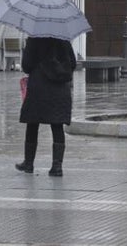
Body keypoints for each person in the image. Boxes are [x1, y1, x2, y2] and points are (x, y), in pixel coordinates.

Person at [15, 35, 76, 177]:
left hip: (39, 86)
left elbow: (27, 66)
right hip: (60, 88)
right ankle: (57, 166)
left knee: (32, 123)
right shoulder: (64, 39)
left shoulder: (35, 38)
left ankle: (29, 163)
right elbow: (72, 63)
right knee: (57, 125)